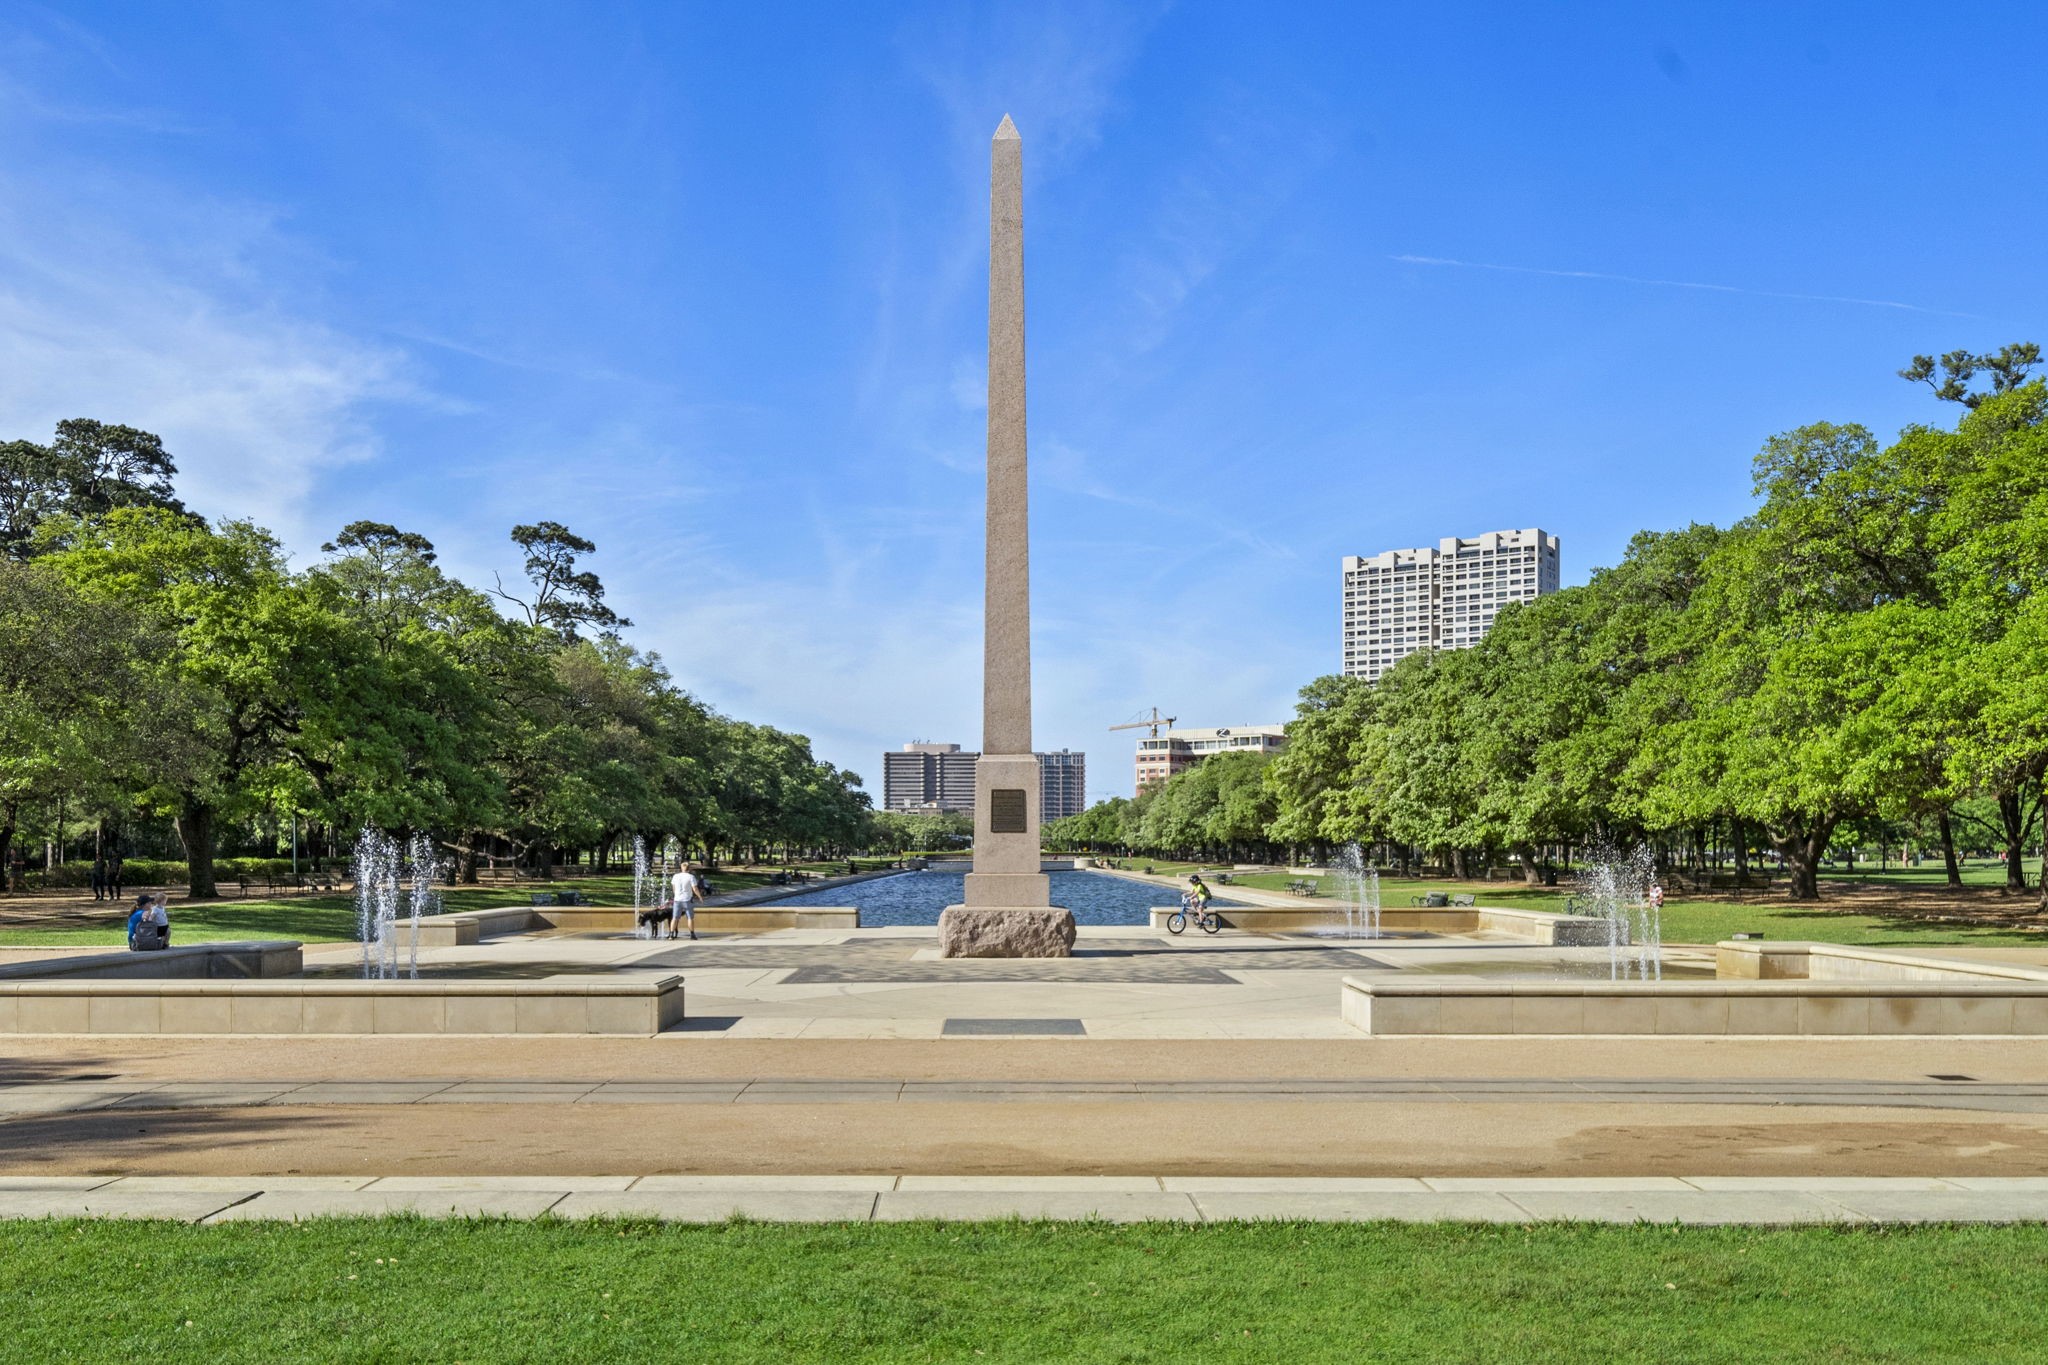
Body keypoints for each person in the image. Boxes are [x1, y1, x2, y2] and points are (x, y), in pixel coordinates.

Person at [668, 865, 703, 941]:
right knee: (690, 918)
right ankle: (692, 934)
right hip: (687, 900)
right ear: (689, 869)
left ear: (681, 868)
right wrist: (700, 897)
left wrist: (676, 895)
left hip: (677, 900)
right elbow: (695, 888)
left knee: (674, 918)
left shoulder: (675, 876)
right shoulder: (691, 877)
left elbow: (673, 887)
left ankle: (671, 934)